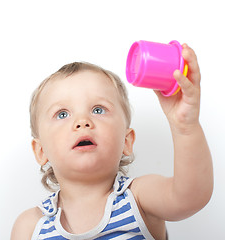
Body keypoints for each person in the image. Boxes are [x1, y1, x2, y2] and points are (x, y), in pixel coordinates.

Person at [11, 44, 213, 240]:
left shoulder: (139, 198)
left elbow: (190, 197)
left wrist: (185, 127)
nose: (82, 122)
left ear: (126, 141)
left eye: (98, 110)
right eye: (62, 114)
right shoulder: (30, 227)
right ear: (40, 151)